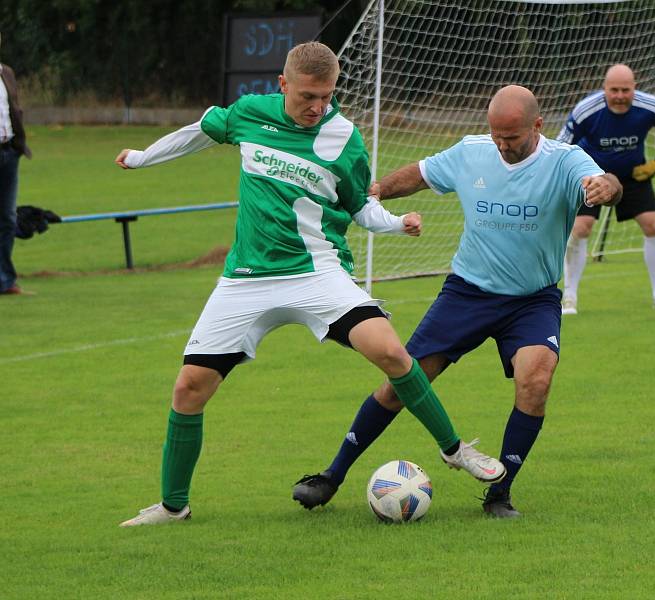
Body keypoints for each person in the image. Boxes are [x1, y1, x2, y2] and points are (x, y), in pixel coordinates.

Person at [115, 42, 504, 527]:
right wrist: (141, 157)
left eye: (326, 96)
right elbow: (200, 131)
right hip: (247, 278)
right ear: (282, 85)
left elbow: (359, 204)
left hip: (317, 271)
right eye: (307, 97)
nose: (318, 107)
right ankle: (174, 507)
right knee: (189, 387)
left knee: (391, 352)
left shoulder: (344, 138)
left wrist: (395, 222)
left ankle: (454, 450)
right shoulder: (250, 114)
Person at [292, 85, 622, 518]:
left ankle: (499, 494)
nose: (503, 145)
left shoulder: (564, 160)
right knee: (403, 382)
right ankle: (332, 477)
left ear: (537, 126)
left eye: (513, 137)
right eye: (496, 135)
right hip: (467, 292)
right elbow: (422, 173)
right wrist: (374, 192)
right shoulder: (473, 151)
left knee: (536, 380)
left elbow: (604, 182)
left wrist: (605, 187)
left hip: (533, 300)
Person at [557, 64, 655, 314]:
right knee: (581, 228)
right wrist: (571, 174)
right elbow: (561, 144)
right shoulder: (586, 110)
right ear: (604, 89)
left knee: (654, 224)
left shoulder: (649, 106)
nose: (620, 96)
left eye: (626, 90)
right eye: (614, 90)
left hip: (631, 175)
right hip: (590, 176)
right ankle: (569, 297)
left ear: (634, 88)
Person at [0, 33, 33, 296]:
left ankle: (5, 280)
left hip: (9, 152)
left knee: (8, 218)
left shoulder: (6, 72)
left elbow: (14, 108)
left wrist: (19, 145)